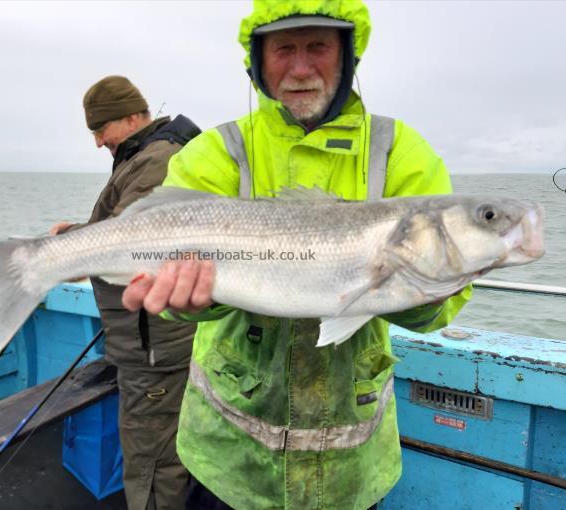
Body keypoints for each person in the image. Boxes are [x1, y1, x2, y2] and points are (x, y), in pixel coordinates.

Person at [122, 2, 471, 509]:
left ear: (348, 55)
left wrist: (416, 287)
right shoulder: (217, 152)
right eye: (284, 48)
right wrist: (187, 300)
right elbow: (174, 287)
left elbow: (438, 309)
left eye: (319, 47)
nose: (302, 68)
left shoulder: (401, 152)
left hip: (351, 471)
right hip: (228, 460)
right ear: (257, 61)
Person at [51, 76, 200, 510]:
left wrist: (70, 237)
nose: (98, 142)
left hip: (155, 347)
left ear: (134, 116)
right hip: (156, 340)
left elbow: (132, 242)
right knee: (168, 451)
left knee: (152, 462)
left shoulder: (159, 159)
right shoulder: (147, 154)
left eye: (102, 130)